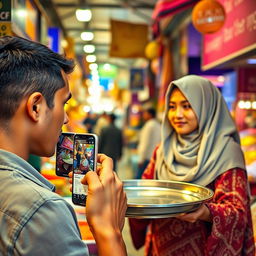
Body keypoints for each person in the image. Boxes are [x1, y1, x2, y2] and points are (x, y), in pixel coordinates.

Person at [0, 36, 127, 256]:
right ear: (36, 107)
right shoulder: (42, 209)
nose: (66, 118)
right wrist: (108, 229)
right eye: (64, 103)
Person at [129, 75, 255, 256]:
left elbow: (237, 213)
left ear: (206, 107)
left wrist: (205, 212)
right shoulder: (163, 150)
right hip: (161, 248)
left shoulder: (226, 152)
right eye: (172, 107)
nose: (177, 114)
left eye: (187, 106)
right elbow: (144, 191)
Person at [136, 107, 161, 179]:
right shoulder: (157, 125)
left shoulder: (149, 126)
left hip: (146, 158)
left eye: (145, 113)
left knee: (140, 179)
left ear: (150, 114)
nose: (143, 115)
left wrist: (141, 159)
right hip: (153, 157)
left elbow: (145, 143)